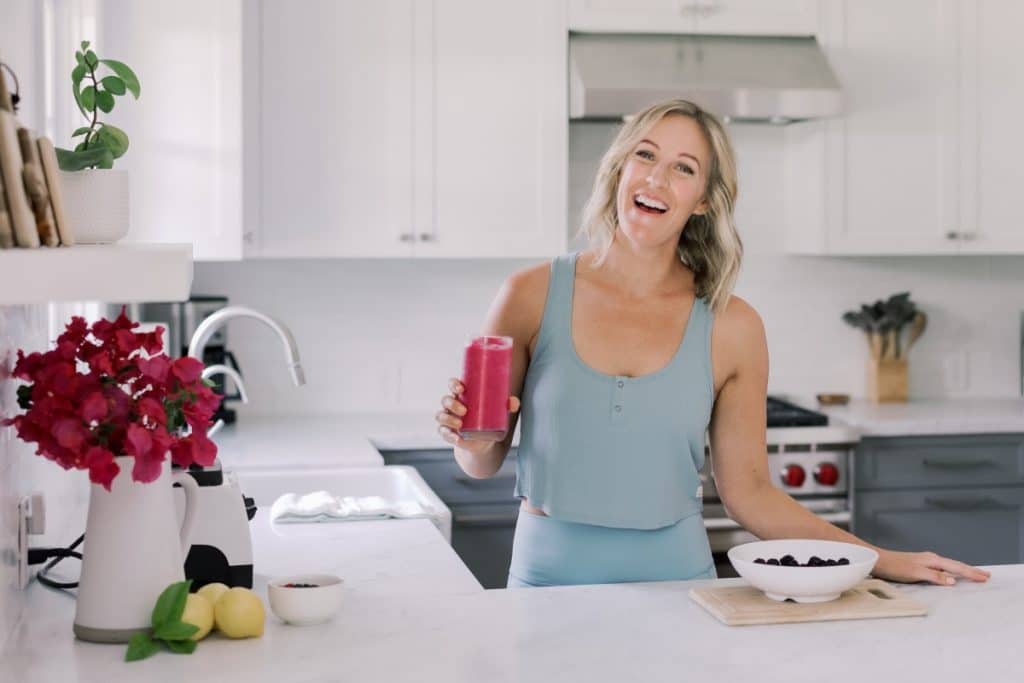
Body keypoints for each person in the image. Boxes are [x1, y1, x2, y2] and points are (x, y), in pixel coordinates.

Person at [435, 98, 992, 590]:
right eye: (645, 155)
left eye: (684, 168)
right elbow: (480, 461)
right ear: (620, 167)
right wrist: (472, 437)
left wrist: (881, 560)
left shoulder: (732, 325)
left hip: (678, 588)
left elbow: (751, 496)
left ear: (702, 200)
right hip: (545, 587)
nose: (656, 179)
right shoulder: (529, 295)